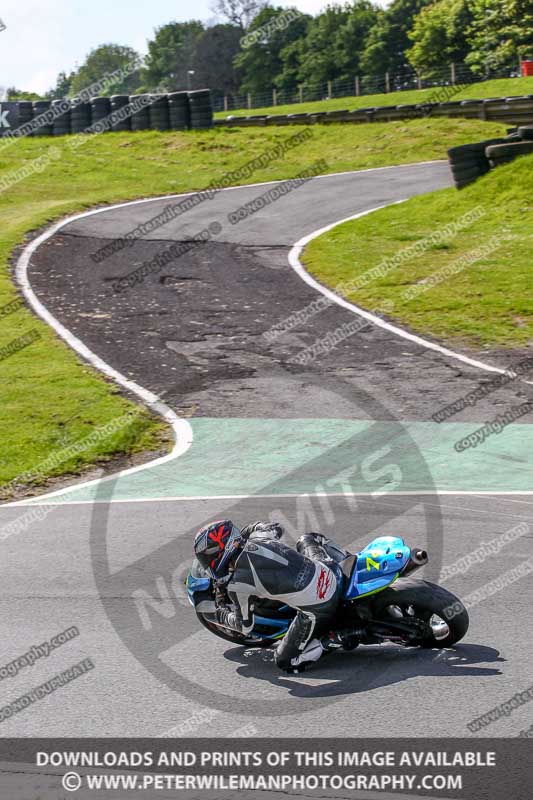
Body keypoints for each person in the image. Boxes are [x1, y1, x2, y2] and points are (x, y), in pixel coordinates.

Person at [192, 519, 354, 672]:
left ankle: (338, 638)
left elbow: (245, 627)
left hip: (321, 603)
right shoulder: (261, 537)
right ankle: (351, 562)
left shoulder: (238, 585)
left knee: (286, 661)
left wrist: (220, 615)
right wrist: (249, 530)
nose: (206, 562)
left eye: (207, 557)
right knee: (307, 538)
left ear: (221, 551)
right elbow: (275, 528)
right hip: (329, 569)